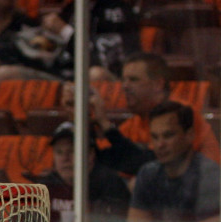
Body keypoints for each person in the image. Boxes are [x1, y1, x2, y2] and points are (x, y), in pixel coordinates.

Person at [90, 52, 221, 177]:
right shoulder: (136, 121)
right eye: (123, 80)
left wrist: (105, 124)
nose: (125, 86)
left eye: (133, 80)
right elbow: (103, 158)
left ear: (158, 84)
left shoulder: (179, 113)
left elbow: (150, 165)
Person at [126, 101, 221, 222]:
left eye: (168, 135)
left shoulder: (209, 175)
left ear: (189, 135)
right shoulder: (148, 174)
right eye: (155, 137)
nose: (160, 144)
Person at [35, 121, 130, 222]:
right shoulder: (46, 187)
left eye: (72, 151)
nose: (65, 158)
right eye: (59, 152)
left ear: (90, 154)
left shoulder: (110, 184)